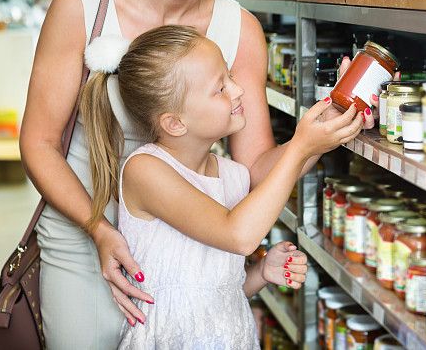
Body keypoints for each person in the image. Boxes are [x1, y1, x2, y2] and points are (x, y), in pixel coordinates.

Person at [19, 0, 374, 348]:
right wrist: (99, 230)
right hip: (85, 231)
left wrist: (321, 131)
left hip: (190, 246)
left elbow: (252, 172)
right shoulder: (83, 7)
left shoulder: (240, 31)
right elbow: (38, 143)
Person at [78, 25, 361, 348]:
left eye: (230, 77)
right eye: (220, 88)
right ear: (174, 123)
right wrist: (300, 146)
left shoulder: (231, 175)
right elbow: (239, 235)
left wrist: (260, 273)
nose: (238, 90)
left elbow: (216, 295)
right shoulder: (145, 171)